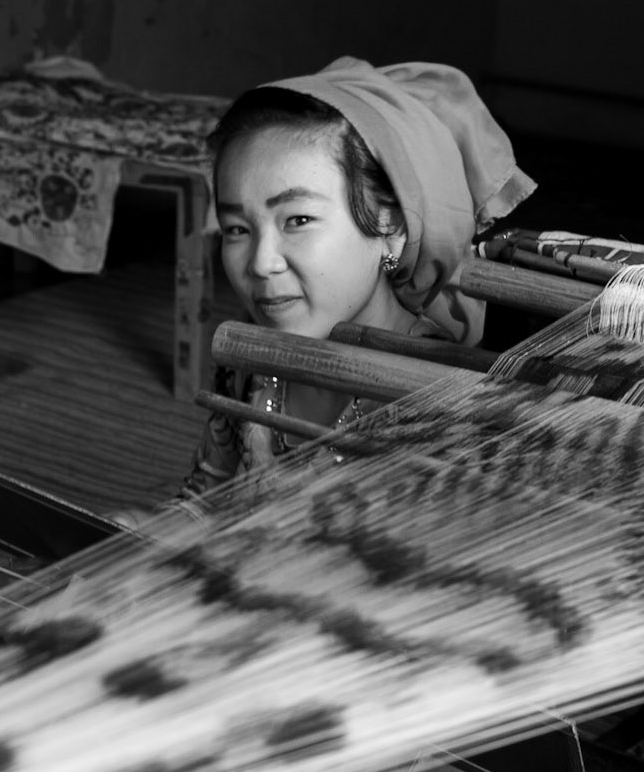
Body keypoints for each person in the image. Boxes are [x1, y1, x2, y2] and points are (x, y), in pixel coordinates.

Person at [181, 54, 535, 495]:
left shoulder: (436, 401)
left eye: (298, 220)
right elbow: (206, 495)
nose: (259, 262)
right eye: (237, 229)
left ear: (392, 227)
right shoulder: (250, 359)